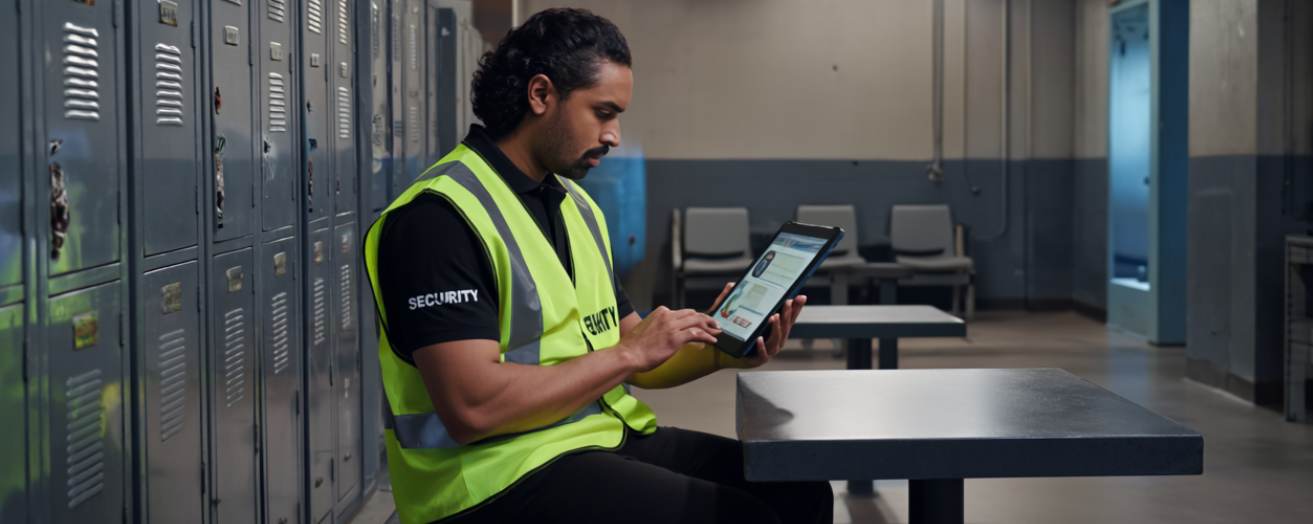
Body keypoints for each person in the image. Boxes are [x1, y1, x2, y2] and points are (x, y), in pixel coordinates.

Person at [363, 8, 832, 524]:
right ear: (540, 95)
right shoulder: (437, 219)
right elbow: (471, 408)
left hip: (593, 438)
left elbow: (632, 349)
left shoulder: (574, 206)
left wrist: (725, 351)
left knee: (797, 490)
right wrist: (629, 354)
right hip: (490, 476)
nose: (614, 135)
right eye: (603, 113)